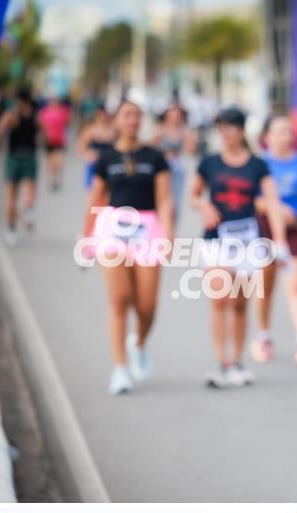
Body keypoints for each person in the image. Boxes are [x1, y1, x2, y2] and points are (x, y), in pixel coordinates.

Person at [190, 106, 290, 389]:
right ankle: (220, 363)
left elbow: (272, 203)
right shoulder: (209, 163)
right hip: (216, 240)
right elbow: (194, 195)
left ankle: (237, 362)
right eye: (220, 128)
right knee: (219, 298)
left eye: (230, 128)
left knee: (239, 303)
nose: (225, 134)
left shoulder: (257, 165)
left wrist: (279, 242)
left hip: (246, 242)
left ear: (241, 130)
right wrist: (204, 206)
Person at [82, 100, 174, 396]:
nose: (132, 120)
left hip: (147, 228)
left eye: (136, 115)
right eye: (126, 115)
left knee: (146, 305)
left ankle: (139, 343)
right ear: (116, 120)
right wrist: (86, 236)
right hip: (113, 227)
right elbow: (96, 197)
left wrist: (168, 235)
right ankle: (120, 368)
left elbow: (165, 199)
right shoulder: (106, 158)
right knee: (119, 299)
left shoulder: (155, 157)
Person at [250, 115, 297, 365]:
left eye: (289, 131)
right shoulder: (260, 164)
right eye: (280, 131)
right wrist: (275, 209)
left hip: (296, 227)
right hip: (265, 228)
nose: (286, 136)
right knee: (266, 285)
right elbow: (252, 199)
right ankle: (264, 336)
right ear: (267, 137)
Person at [0, 87, 42, 246]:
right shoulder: (34, 116)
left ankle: (11, 229)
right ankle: (28, 209)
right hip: (29, 155)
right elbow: (43, 134)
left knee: (11, 196)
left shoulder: (11, 115)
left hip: (14, 156)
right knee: (29, 188)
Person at [152, 104, 196, 225]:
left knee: (175, 200)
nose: (174, 119)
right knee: (160, 198)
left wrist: (188, 137)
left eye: (177, 117)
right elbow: (151, 147)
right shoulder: (161, 129)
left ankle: (171, 225)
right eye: (171, 116)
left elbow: (191, 150)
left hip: (177, 169)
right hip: (162, 168)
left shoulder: (184, 131)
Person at [77, 103, 116, 190]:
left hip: (109, 165)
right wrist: (88, 156)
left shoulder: (114, 130)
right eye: (100, 115)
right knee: (93, 191)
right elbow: (81, 149)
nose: (103, 117)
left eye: (105, 114)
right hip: (94, 166)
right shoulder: (90, 130)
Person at [38, 95, 71, 192]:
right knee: (50, 162)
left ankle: (57, 178)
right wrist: (43, 135)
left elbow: (67, 123)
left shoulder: (63, 111)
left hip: (60, 140)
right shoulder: (45, 112)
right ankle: (51, 180)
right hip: (49, 140)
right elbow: (41, 124)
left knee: (59, 162)